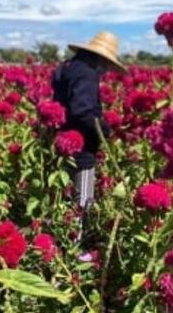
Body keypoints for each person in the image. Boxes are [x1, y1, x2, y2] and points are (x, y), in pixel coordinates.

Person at [51, 31, 126, 215]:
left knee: (64, 198)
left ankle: (63, 239)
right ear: (100, 59)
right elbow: (82, 111)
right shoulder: (86, 73)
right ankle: (77, 240)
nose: (107, 70)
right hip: (82, 149)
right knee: (82, 203)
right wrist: (104, 130)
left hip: (63, 143)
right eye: (107, 65)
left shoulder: (68, 67)